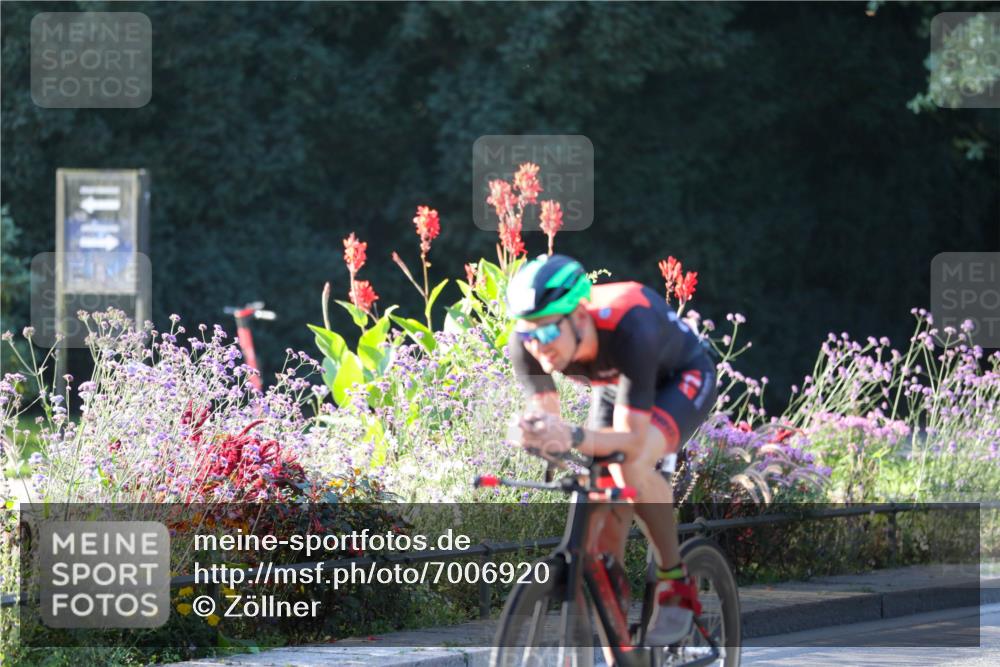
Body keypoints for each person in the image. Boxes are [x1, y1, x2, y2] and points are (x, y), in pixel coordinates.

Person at [506, 254, 718, 646]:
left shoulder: (629, 326)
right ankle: (613, 619)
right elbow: (547, 414)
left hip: (680, 377)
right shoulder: (528, 344)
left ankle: (675, 581)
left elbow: (631, 440)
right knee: (600, 498)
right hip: (618, 382)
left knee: (630, 465)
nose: (538, 347)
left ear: (580, 316)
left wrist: (571, 436)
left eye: (548, 334)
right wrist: (536, 432)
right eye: (529, 334)